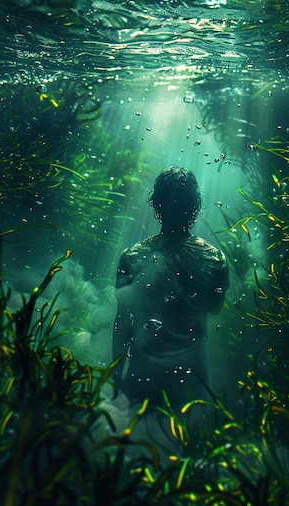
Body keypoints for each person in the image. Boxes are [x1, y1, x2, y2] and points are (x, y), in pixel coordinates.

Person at [113, 166, 229, 411]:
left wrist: (114, 377)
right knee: (187, 443)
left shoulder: (132, 257)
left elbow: (122, 322)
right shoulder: (215, 258)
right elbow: (215, 309)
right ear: (195, 206)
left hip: (142, 377)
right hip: (191, 380)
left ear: (157, 204)